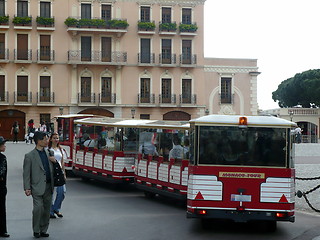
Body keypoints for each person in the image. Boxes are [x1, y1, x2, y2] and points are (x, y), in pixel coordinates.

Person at [23, 131, 55, 238]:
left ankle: (43, 229)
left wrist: (54, 162)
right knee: (38, 208)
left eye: (47, 139)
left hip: (49, 185)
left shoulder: (49, 153)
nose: (47, 141)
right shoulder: (29, 156)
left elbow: (54, 169)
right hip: (36, 186)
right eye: (45, 139)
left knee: (46, 209)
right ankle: (36, 230)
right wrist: (27, 187)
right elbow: (26, 173)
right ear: (38, 141)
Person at [48, 133, 66, 219]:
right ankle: (51, 212)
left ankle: (56, 208)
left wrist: (64, 173)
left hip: (60, 172)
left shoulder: (60, 149)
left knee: (62, 192)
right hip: (52, 172)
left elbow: (62, 162)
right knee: (51, 193)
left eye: (57, 138)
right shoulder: (48, 149)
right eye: (54, 138)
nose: (56, 140)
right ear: (50, 139)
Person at [0, 136, 9, 238]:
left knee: (2, 209)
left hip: (2, 187)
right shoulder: (2, 158)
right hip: (1, 186)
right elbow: (1, 172)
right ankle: (2, 230)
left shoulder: (3, 157)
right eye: (3, 144)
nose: (4, 146)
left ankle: (2, 230)